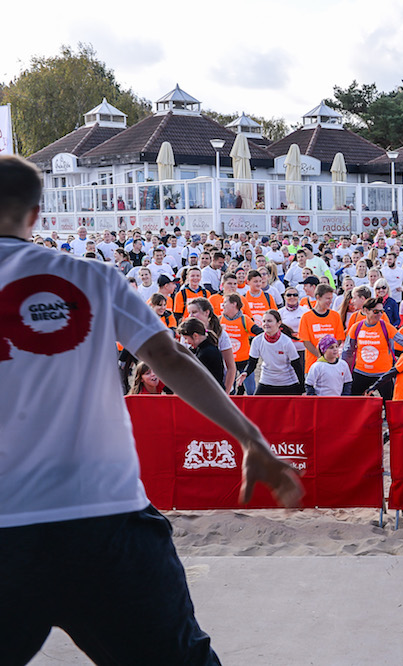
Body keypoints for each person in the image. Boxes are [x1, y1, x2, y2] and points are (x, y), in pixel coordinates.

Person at [0, 154, 302, 665]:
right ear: (35, 214)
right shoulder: (93, 277)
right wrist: (251, 438)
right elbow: (170, 357)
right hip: (106, 521)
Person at [344, 298, 403, 399]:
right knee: (354, 401)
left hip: (383, 374)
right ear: (366, 311)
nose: (380, 314)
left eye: (382, 311)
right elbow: (347, 351)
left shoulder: (386, 327)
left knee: (389, 403)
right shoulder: (356, 327)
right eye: (376, 311)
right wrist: (342, 369)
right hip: (361, 372)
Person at [239, 310, 304, 395]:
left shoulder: (286, 341)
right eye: (264, 321)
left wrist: (302, 389)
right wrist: (246, 372)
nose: (266, 324)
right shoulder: (257, 340)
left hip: (287, 382)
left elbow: (297, 365)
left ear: (279, 323)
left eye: (269, 321)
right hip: (266, 381)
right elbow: (252, 363)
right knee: (255, 403)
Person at [188, 297, 238, 394]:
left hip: (219, 388)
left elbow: (231, 367)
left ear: (206, 312)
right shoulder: (186, 333)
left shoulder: (221, 334)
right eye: (189, 312)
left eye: (194, 312)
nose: (191, 316)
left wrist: (226, 393)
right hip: (195, 389)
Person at [177, 318, 226, 388]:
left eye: (186, 339)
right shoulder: (201, 348)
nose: (186, 342)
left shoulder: (207, 353)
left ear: (195, 336)